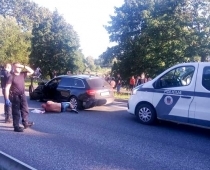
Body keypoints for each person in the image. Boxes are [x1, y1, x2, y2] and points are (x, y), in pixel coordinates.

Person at [5, 63, 35, 132]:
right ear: (14, 67)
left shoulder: (22, 74)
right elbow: (7, 88)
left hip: (22, 95)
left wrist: (23, 66)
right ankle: (16, 126)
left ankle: (25, 123)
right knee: (16, 112)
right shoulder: (11, 76)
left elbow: (32, 71)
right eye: (17, 67)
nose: (19, 68)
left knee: (25, 109)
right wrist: (7, 99)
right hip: (15, 97)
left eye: (20, 67)